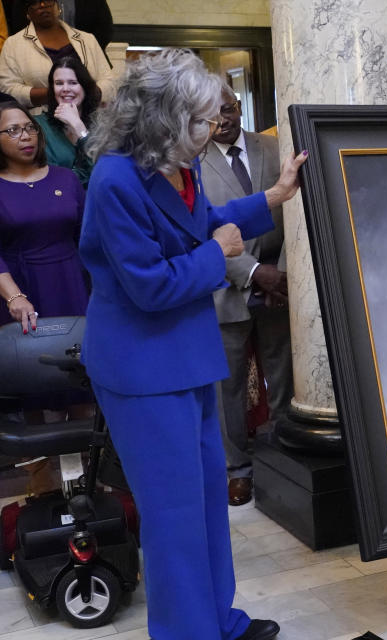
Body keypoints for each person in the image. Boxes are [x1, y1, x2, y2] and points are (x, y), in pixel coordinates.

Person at [79, 48, 306, 640]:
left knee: (205, 505)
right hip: (141, 366)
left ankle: (218, 621)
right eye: (201, 120)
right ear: (162, 119)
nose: (212, 130)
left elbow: (205, 219)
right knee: (173, 518)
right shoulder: (115, 179)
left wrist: (273, 197)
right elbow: (150, 285)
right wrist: (220, 254)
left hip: (184, 353)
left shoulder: (175, 166)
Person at [202, 86, 292, 508]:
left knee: (285, 374)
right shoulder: (190, 162)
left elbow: (300, 211)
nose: (223, 120)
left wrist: (285, 273)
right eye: (213, 114)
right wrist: (256, 273)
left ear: (239, 107)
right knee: (229, 387)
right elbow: (200, 231)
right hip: (227, 289)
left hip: (283, 287)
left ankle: (283, 457)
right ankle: (237, 470)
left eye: (229, 109)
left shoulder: (272, 147)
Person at [0, 100, 87, 493]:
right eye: (13, 130)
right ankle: (46, 493)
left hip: (73, 286)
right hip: (23, 295)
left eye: (29, 128)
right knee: (36, 395)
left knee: (81, 387)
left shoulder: (67, 179)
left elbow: (89, 236)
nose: (24, 136)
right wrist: (14, 296)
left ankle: (87, 486)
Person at [0, 0, 115, 109]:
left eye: (48, 0)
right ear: (27, 12)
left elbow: (109, 81)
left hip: (90, 118)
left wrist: (87, 93)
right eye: (35, 2)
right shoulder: (13, 44)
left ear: (58, 6)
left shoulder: (87, 39)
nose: (43, 5)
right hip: (41, 121)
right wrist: (54, 94)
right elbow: (8, 89)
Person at [35, 56, 97, 185]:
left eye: (73, 83)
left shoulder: (105, 124)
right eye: (59, 83)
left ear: (85, 87)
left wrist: (78, 126)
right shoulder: (37, 126)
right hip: (55, 199)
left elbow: (103, 169)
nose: (65, 89)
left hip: (95, 200)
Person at [7, 0, 112, 51]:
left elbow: (104, 31)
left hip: (86, 60)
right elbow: (18, 28)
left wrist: (82, 54)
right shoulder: (24, 2)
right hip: (36, 62)